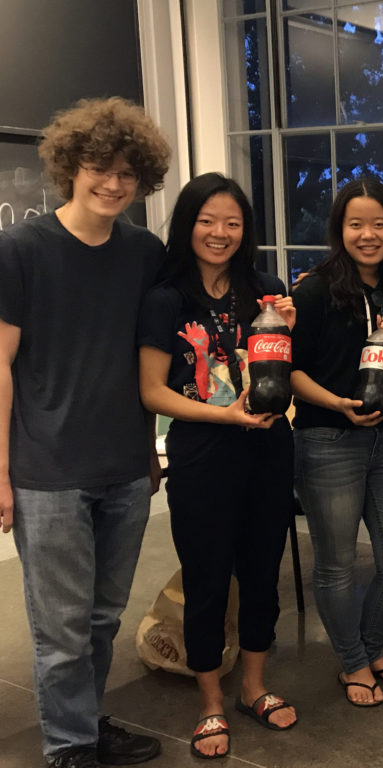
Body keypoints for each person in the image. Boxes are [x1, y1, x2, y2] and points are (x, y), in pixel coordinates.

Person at [0, 97, 170, 768]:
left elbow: (153, 358)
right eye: (101, 168)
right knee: (62, 630)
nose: (114, 183)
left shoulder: (145, 252)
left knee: (102, 621)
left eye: (129, 173)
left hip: (126, 467)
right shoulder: (21, 249)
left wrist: (152, 451)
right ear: (71, 165)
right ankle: (69, 748)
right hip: (49, 472)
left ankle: (85, 723)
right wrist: (1, 474)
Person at [137, 173, 297, 758]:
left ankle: (253, 686)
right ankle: (210, 702)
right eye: (208, 221)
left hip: (269, 448)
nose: (220, 233)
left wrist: (287, 328)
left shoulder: (266, 288)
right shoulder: (165, 298)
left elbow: (276, 373)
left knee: (262, 575)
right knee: (206, 580)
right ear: (188, 225)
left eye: (232, 222)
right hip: (204, 453)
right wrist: (223, 416)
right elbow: (153, 392)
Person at [291, 179, 383, 705]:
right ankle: (352, 662)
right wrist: (336, 403)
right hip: (327, 440)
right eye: (355, 224)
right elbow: (289, 369)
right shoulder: (316, 288)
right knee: (337, 564)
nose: (368, 235)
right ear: (339, 229)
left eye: (379, 224)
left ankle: (367, 648)